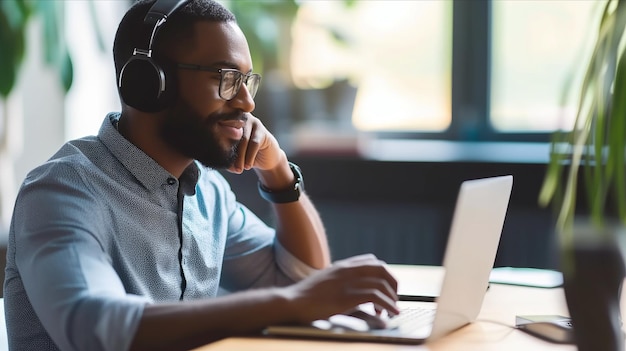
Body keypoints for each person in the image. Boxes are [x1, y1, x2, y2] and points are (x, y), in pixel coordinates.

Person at [3, 0, 399, 350]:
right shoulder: (63, 192)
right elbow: (97, 328)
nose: (247, 101)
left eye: (247, 80)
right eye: (225, 78)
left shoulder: (208, 192)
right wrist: (292, 304)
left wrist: (278, 171)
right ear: (150, 82)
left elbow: (301, 277)